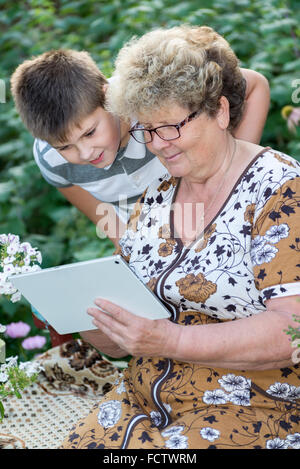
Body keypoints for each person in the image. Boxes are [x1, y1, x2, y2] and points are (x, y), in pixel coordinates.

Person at [61, 25, 300, 450]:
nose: (158, 145)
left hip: (252, 403)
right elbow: (126, 337)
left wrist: (171, 341)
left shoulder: (280, 191)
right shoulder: (157, 196)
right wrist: (91, 322)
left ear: (221, 111)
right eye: (146, 131)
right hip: (145, 397)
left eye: (170, 126)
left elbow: (290, 330)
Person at [10, 47, 269, 347]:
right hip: (155, 239)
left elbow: (254, 85)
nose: (84, 153)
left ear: (108, 96)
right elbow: (90, 204)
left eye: (90, 132)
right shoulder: (51, 159)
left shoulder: (148, 99)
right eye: (64, 146)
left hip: (220, 220)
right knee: (106, 325)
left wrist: (230, 173)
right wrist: (125, 243)